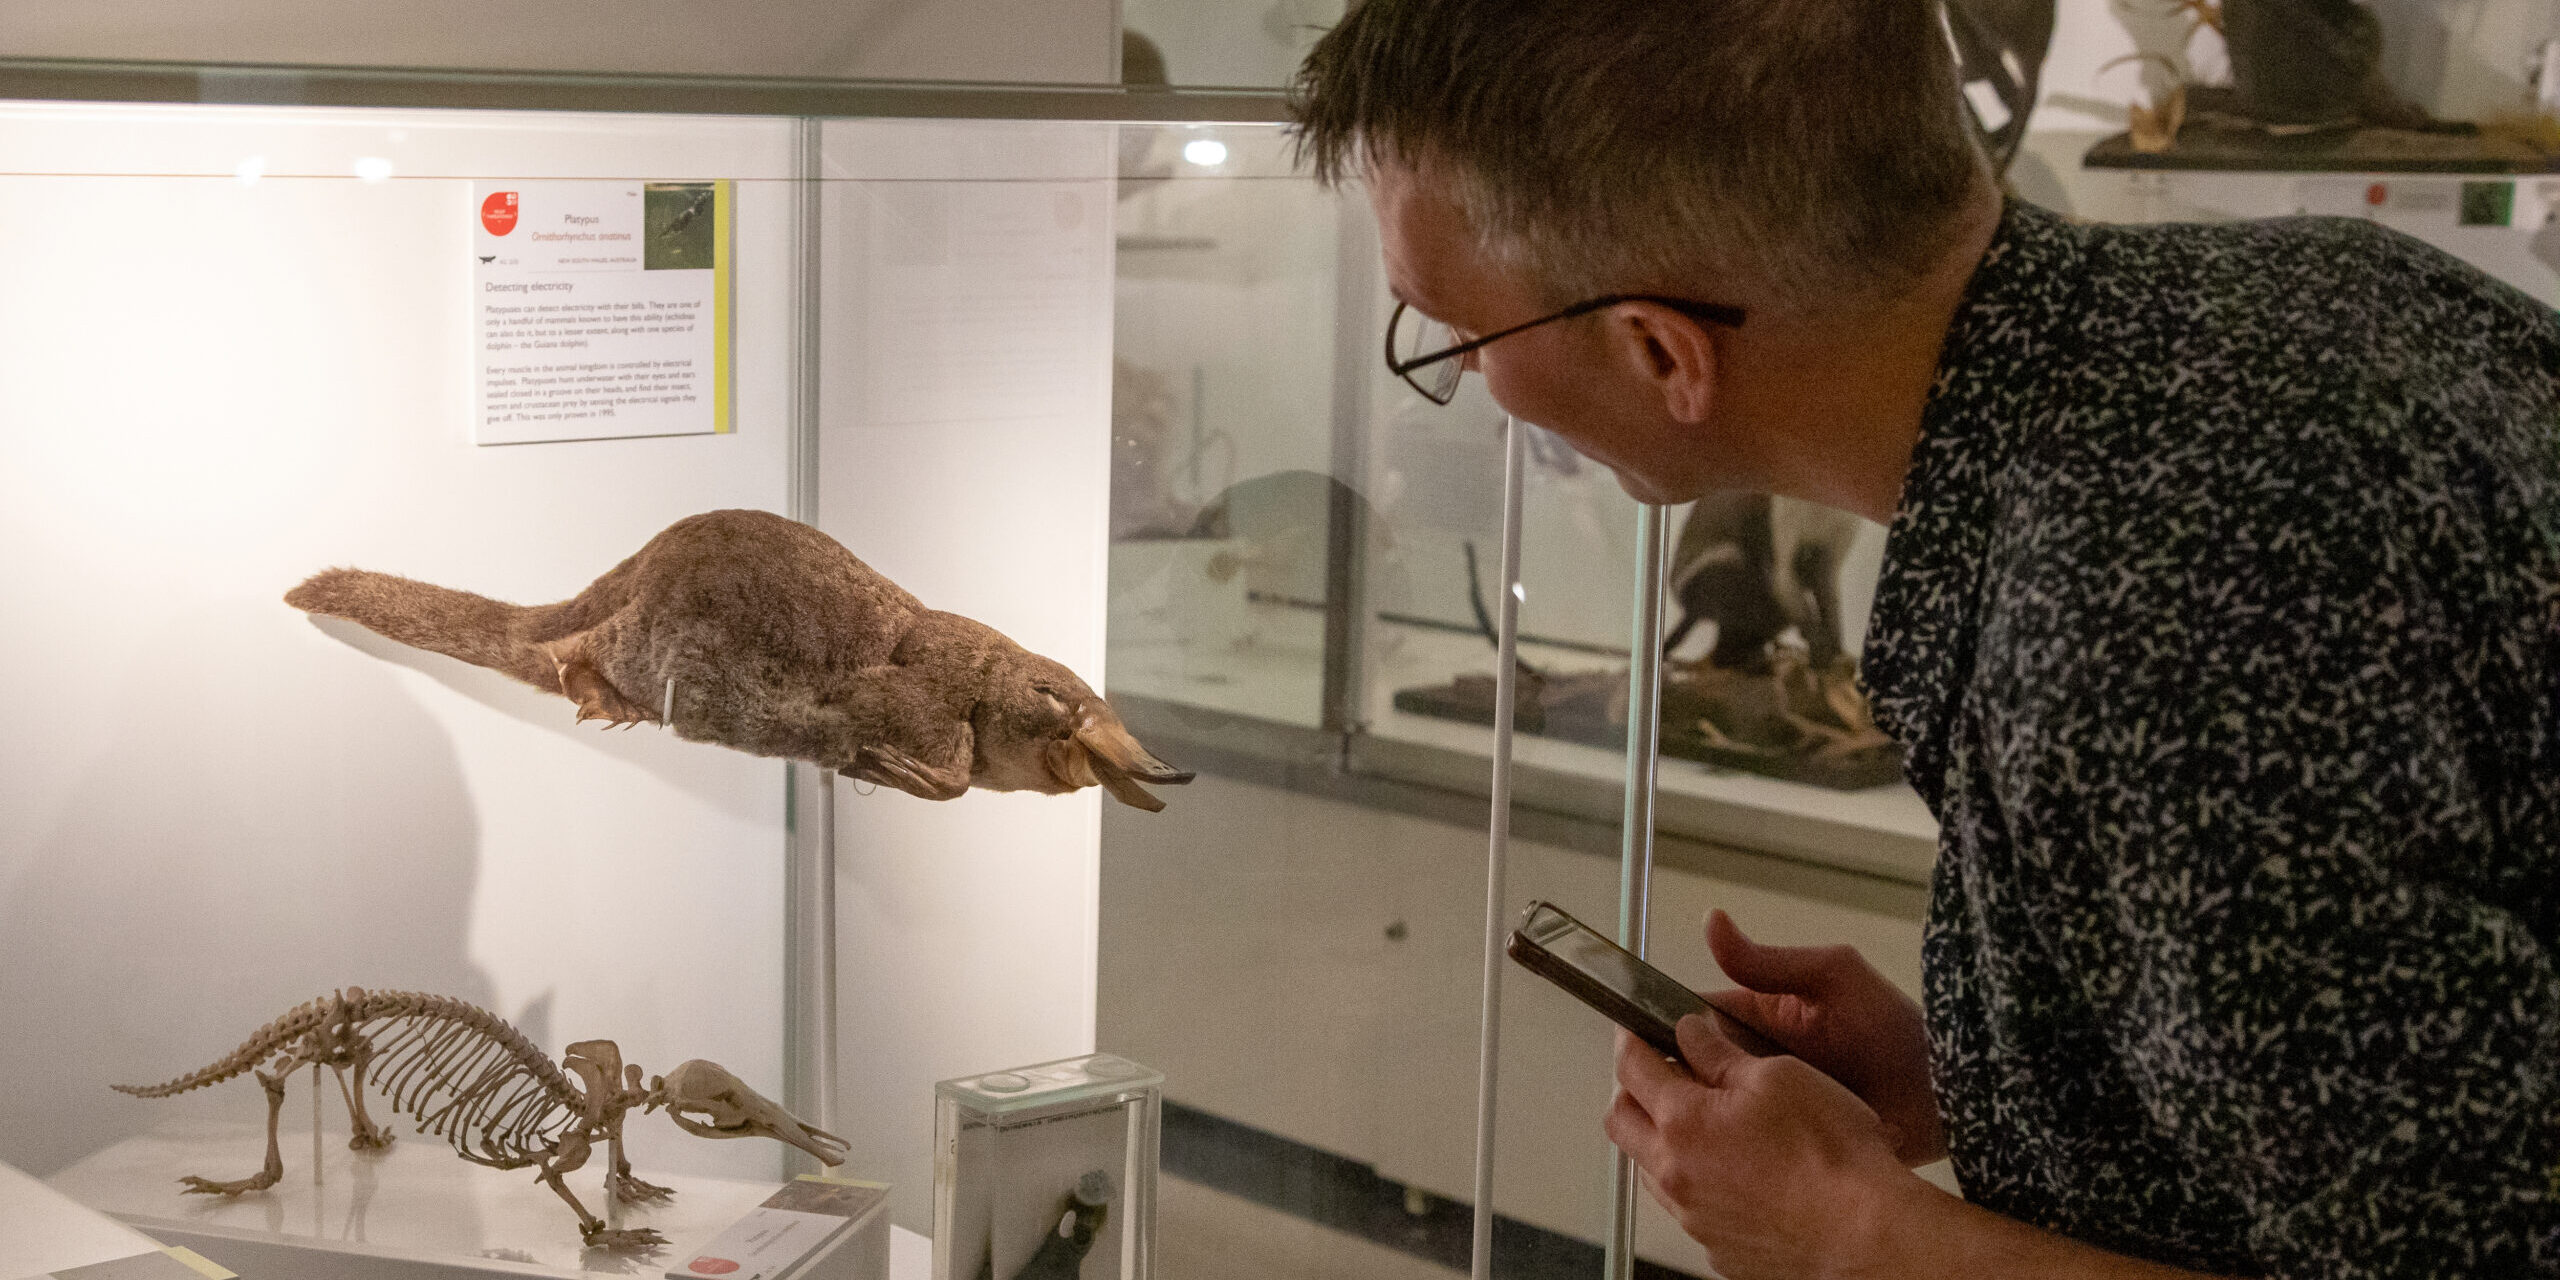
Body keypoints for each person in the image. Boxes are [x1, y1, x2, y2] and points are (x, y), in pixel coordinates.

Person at [1289, 2, 2560, 1278]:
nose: (1471, 378)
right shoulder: (2329, 284)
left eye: (1460, 335)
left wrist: (1855, 1230)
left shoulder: (2120, 626)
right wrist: (1999, 1064)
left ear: (1663, 350)